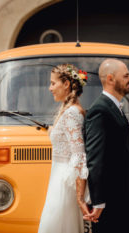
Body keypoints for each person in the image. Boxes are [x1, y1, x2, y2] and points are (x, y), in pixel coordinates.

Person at [83, 59, 129, 233]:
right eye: (126, 76)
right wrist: (99, 201)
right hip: (110, 201)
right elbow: (95, 158)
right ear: (110, 79)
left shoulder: (114, 107)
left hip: (120, 197)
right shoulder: (99, 110)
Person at [37, 64, 90, 233]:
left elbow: (79, 155)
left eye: (53, 83)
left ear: (66, 84)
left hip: (64, 184)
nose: (49, 88)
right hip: (59, 179)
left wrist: (80, 198)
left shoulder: (71, 113)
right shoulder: (68, 111)